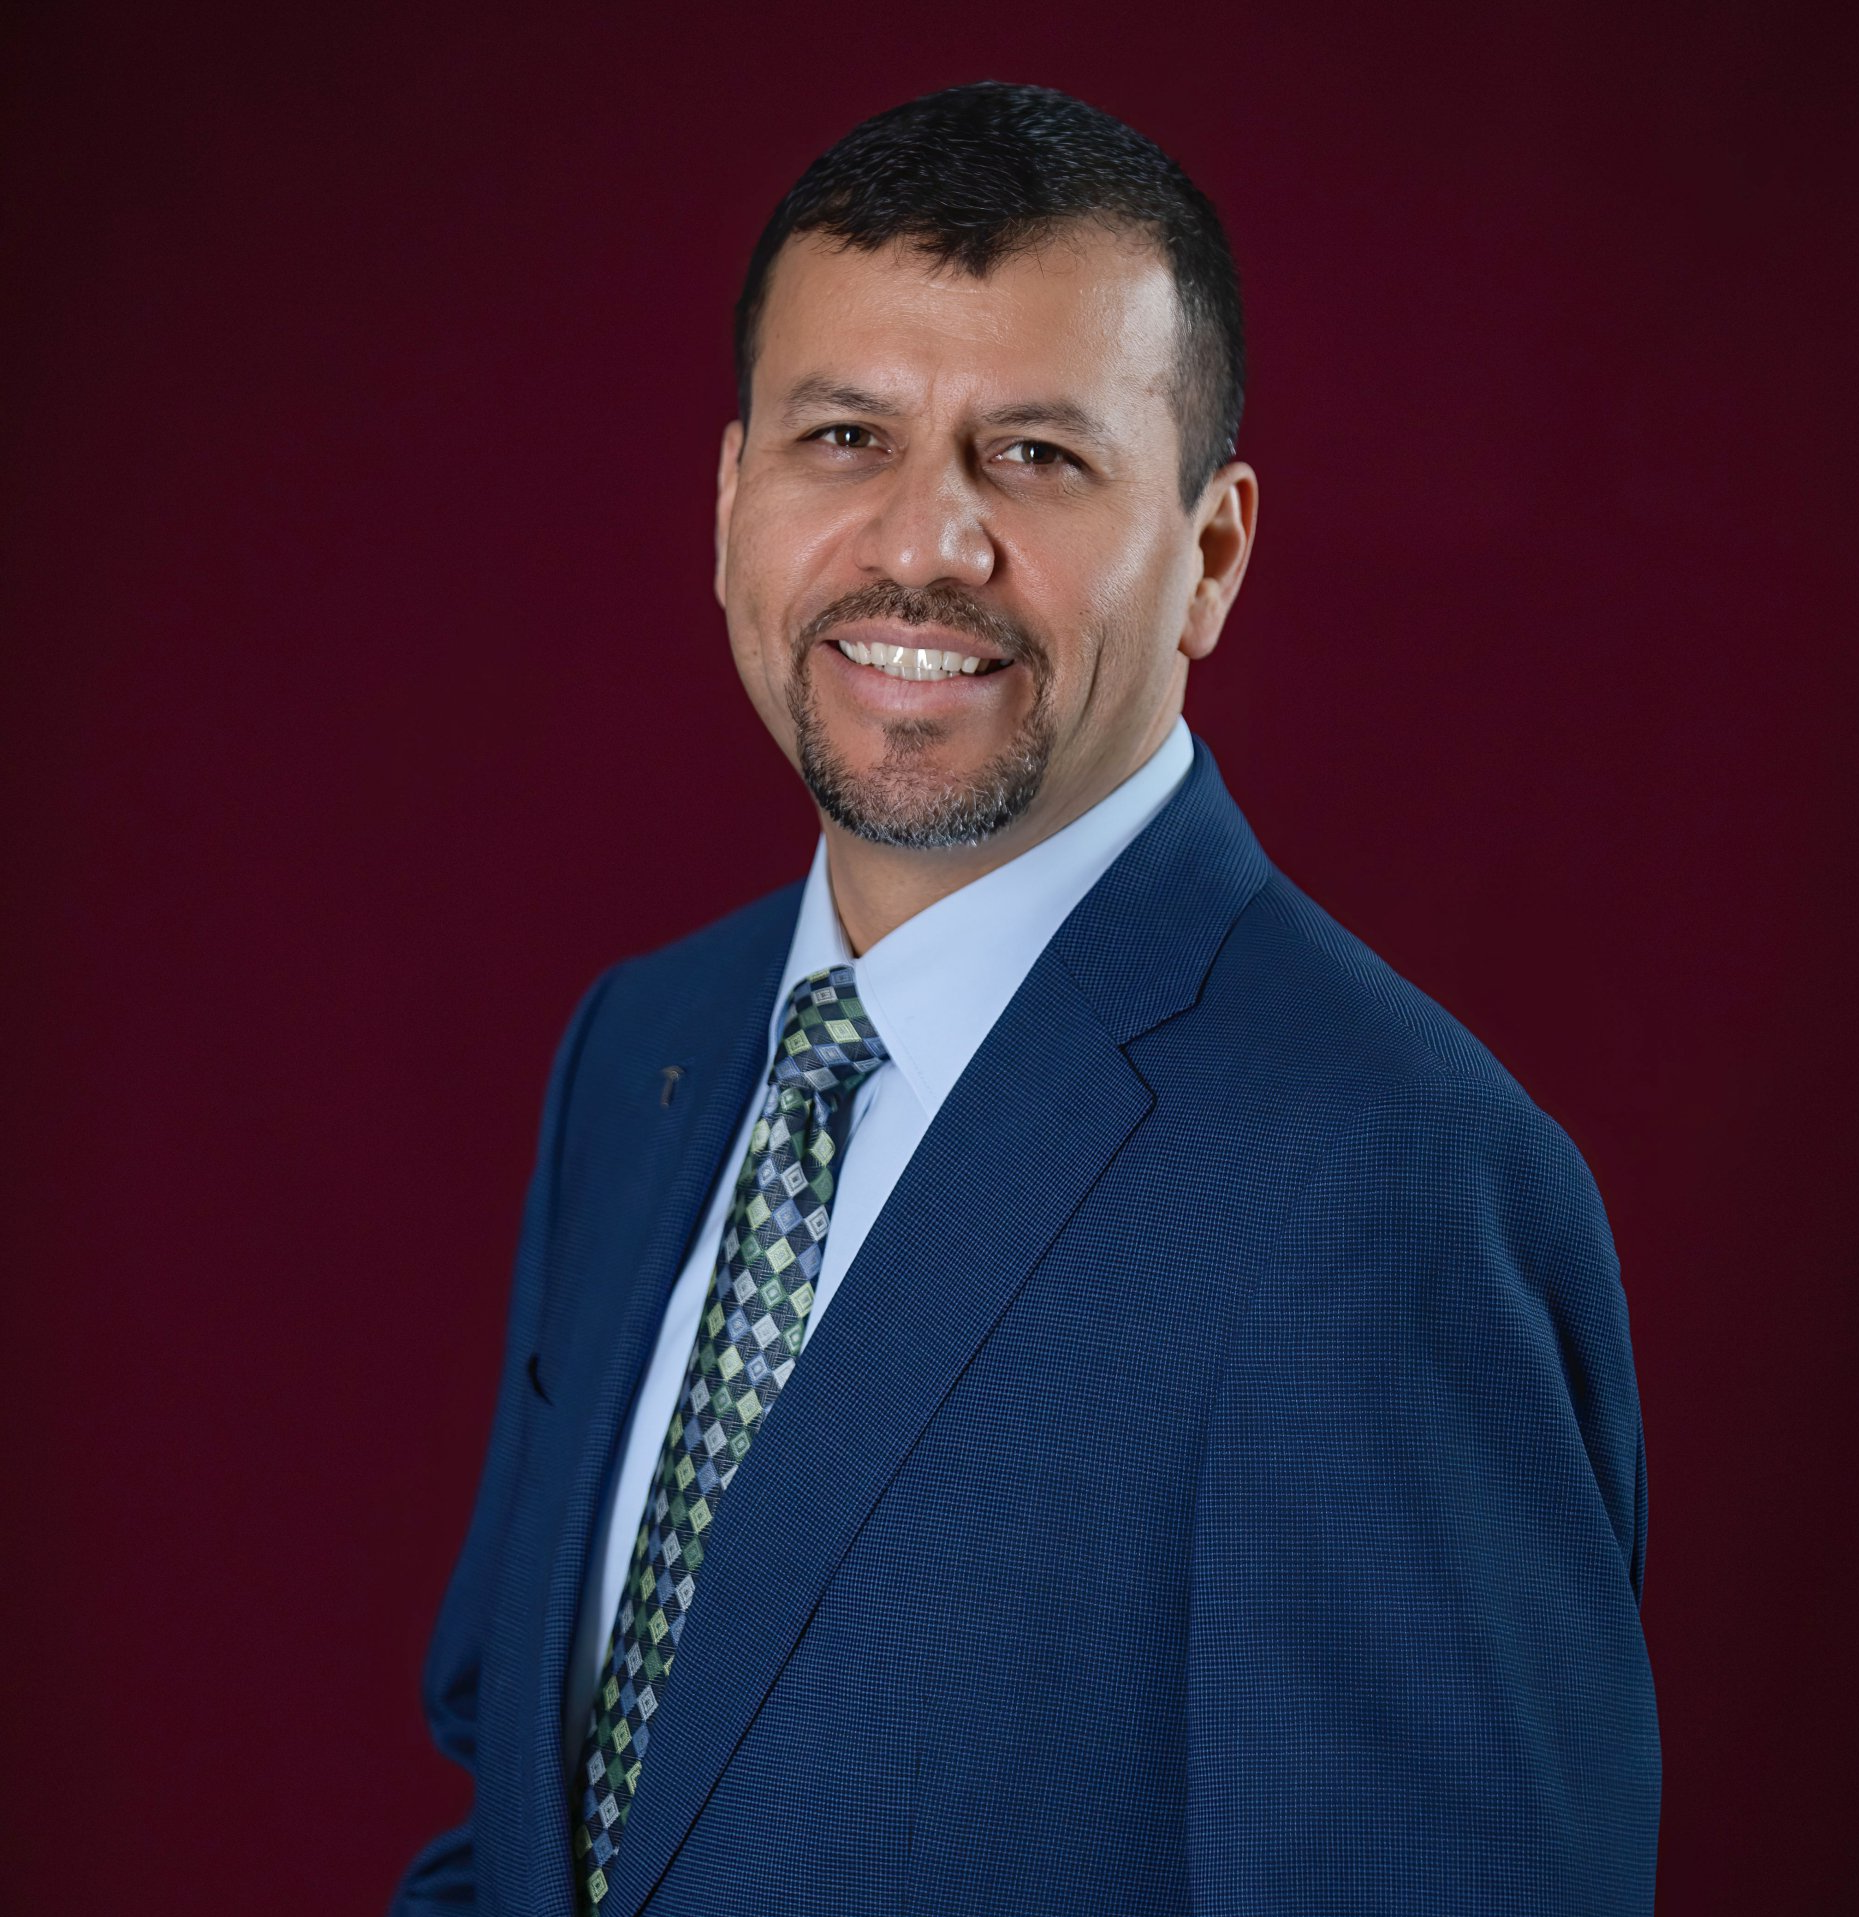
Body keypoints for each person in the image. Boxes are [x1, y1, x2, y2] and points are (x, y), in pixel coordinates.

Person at [391, 80, 1660, 1917]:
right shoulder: (645, 1052)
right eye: (846, 437)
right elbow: (530, 1828)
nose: (925, 546)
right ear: (734, 501)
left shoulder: (1387, 1185)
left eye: (1038, 457)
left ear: (1210, 555)